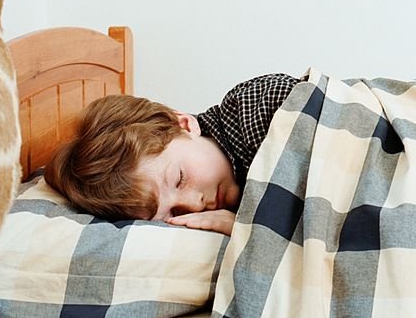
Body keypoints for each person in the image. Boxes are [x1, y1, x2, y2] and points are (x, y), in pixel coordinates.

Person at [45, 73, 306, 236]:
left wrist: (249, 226)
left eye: (180, 178)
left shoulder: (257, 109)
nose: (193, 204)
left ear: (183, 124)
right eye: (174, 212)